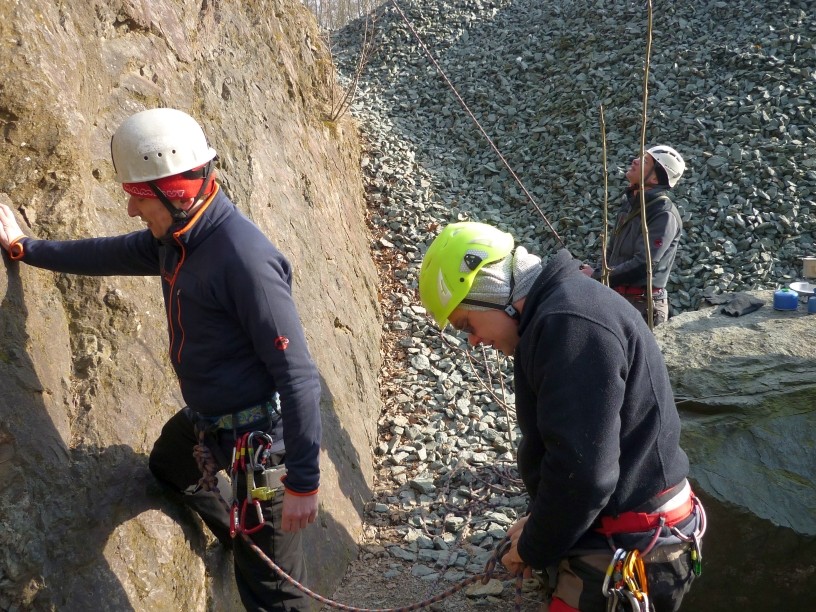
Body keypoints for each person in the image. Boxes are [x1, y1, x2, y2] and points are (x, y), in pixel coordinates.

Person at [0, 108, 321, 611]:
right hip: (210, 424)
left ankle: (252, 544)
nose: (131, 210)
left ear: (175, 191)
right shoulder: (176, 242)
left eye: (138, 197)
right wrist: (26, 248)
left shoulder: (242, 259)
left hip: (261, 448)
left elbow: (298, 376)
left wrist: (303, 481)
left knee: (275, 599)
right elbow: (105, 254)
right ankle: (239, 535)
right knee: (168, 462)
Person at [418, 221, 705, 612]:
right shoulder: (560, 311)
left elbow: (583, 473)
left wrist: (534, 547)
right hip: (632, 523)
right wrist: (539, 523)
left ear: (492, 291)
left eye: (467, 324)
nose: (473, 340)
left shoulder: (569, 325)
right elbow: (577, 452)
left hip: (635, 540)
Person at [582, 146, 685, 326]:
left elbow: (643, 264)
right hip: (619, 299)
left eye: (645, 161)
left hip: (643, 307)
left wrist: (597, 276)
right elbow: (612, 250)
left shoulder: (663, 215)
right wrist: (598, 273)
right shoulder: (630, 205)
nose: (635, 160)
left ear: (654, 177)